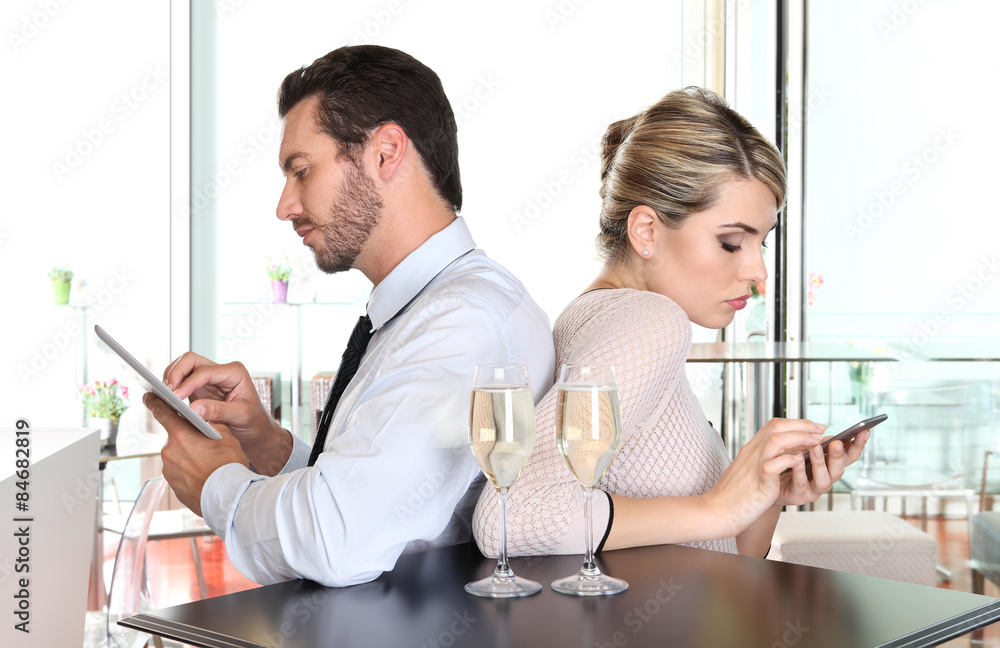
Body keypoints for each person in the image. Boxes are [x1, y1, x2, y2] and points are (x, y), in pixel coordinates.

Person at [143, 45, 555, 587]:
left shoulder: (461, 324)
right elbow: (369, 495)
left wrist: (217, 483)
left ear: (386, 153)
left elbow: (338, 539)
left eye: (301, 170)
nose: (285, 205)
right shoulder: (426, 308)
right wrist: (267, 445)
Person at [472, 87, 867, 559]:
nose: (759, 272)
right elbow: (509, 517)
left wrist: (766, 495)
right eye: (730, 243)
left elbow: (725, 563)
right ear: (646, 231)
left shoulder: (604, 319)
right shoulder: (651, 321)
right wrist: (718, 506)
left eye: (761, 243)